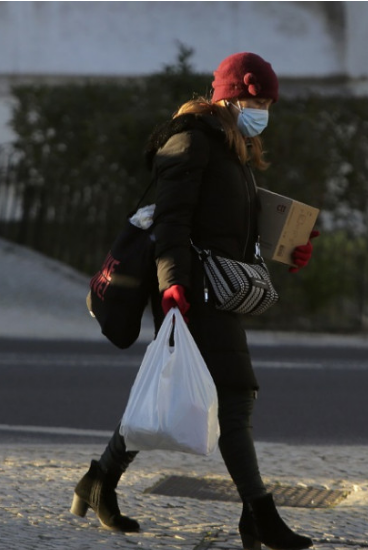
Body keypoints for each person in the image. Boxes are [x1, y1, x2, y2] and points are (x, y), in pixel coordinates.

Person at [70, 52, 318, 550]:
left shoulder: (233, 147)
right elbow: (172, 221)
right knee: (235, 398)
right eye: (256, 100)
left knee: (177, 396)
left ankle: (99, 481)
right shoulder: (189, 140)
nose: (262, 110)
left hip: (214, 290)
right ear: (228, 95)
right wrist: (171, 284)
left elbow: (226, 221)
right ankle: (260, 517)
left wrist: (289, 246)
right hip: (190, 290)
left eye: (268, 102)